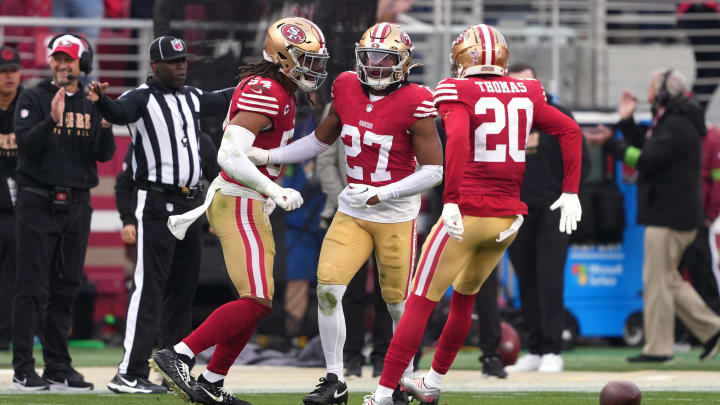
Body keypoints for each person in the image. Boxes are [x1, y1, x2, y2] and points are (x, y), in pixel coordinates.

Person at [365, 24, 583, 405]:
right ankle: (432, 382)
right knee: (465, 300)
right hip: (507, 220)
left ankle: (383, 393)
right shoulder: (526, 90)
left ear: (462, 55)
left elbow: (462, 140)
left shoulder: (455, 89)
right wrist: (570, 190)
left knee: (419, 300)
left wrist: (450, 198)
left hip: (466, 213)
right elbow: (569, 131)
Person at [247, 22, 444, 405]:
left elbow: (434, 172)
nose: (375, 65)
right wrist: (270, 156)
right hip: (352, 210)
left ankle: (404, 378)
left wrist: (383, 192)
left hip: (395, 215)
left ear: (403, 63)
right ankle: (335, 378)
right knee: (328, 290)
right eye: (369, 56)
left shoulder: (417, 99)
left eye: (385, 58)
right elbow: (320, 140)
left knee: (396, 303)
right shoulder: (346, 86)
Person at [148, 17, 328, 405]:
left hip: (248, 201)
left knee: (257, 303)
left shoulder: (281, 89)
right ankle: (178, 354)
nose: (314, 68)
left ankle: (212, 382)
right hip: (239, 197)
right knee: (256, 299)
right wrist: (273, 189)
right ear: (282, 58)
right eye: (305, 59)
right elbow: (229, 154)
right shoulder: (268, 89)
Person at [87, 35, 234, 394]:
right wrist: (100, 101)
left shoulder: (192, 98)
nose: (181, 66)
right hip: (155, 203)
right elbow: (118, 113)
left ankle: (172, 370)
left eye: (183, 60)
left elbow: (223, 99)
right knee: (149, 290)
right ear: (155, 65)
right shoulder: (141, 97)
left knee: (181, 293)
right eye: (173, 62)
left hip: (190, 205)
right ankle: (129, 372)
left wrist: (263, 82)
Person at [585, 68, 720, 363]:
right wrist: (626, 121)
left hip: (669, 216)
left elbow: (646, 160)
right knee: (667, 279)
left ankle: (659, 348)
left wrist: (609, 143)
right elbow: (647, 147)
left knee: (657, 281)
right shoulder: (674, 121)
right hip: (672, 214)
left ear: (663, 93)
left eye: (652, 87)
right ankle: (712, 330)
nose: (648, 92)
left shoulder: (677, 124)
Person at [11, 34, 115, 391]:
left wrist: (104, 120)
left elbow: (103, 155)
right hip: (37, 200)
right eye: (57, 59)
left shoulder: (92, 100)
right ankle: (23, 368)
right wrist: (51, 121)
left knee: (66, 289)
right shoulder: (33, 96)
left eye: (69, 60)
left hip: (76, 204)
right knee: (31, 288)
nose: (62, 65)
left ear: (81, 63)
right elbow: (25, 146)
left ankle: (57, 367)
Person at [504, 63, 591, 373]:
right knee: (524, 280)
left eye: (527, 83)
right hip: (516, 208)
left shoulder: (558, 113)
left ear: (537, 84)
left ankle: (554, 349)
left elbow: (582, 160)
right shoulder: (504, 117)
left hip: (553, 209)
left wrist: (570, 195)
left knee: (549, 279)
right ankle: (536, 348)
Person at [315, 135, 394, 379]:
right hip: (346, 210)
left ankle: (385, 356)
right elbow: (325, 160)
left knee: (391, 291)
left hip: (390, 212)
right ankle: (350, 357)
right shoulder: (340, 104)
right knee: (344, 289)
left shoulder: (402, 103)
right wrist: (346, 199)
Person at [0, 45, 22, 351]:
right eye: (3, 72)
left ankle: (10, 335)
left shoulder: (28, 106)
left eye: (12, 71)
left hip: (20, 210)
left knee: (17, 277)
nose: (8, 77)